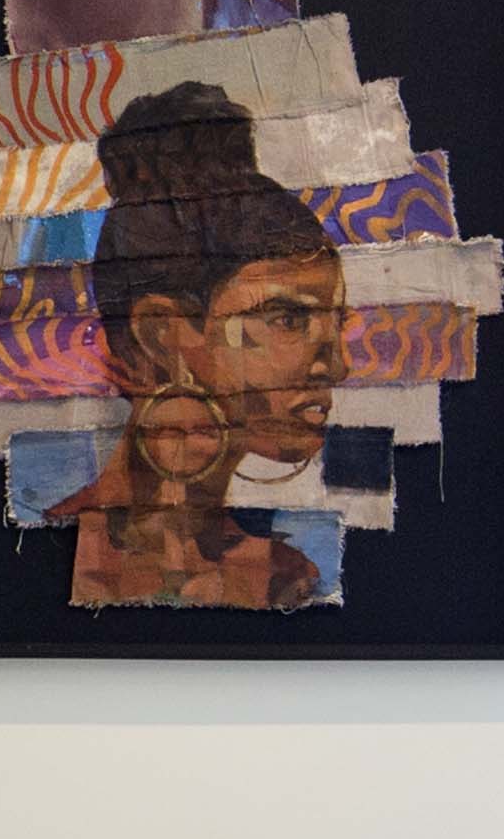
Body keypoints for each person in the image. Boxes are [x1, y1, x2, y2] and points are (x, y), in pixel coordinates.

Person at [47, 82, 348, 611]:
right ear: (162, 335)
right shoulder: (51, 555)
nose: (338, 366)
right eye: (288, 318)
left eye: (337, 324)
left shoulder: (284, 578)